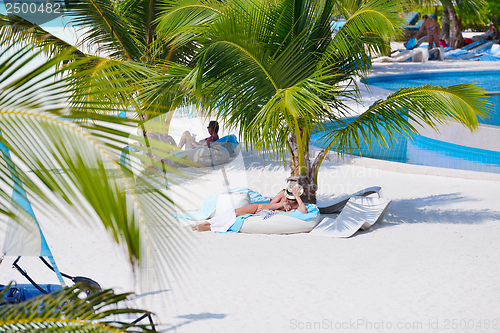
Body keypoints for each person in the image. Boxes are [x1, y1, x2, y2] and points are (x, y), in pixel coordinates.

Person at [194, 183, 308, 232]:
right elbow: (271, 204)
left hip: (260, 211)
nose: (291, 200)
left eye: (293, 198)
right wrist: (281, 205)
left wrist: (297, 197)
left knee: (236, 217)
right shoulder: (282, 194)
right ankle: (207, 223)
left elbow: (304, 210)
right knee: (235, 213)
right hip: (258, 207)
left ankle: (208, 227)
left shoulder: (296, 203)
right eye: (290, 197)